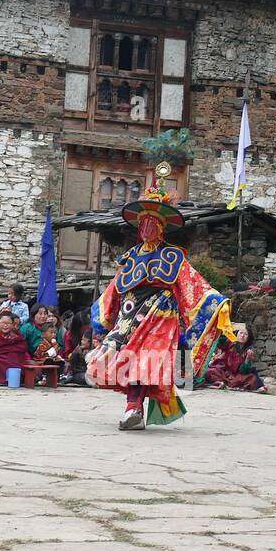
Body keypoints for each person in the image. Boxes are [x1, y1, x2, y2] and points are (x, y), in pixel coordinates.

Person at [89, 164, 235, 430]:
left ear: (162, 227)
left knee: (147, 360)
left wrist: (216, 303)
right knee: (130, 359)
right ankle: (134, 409)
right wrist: (101, 312)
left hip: (160, 313)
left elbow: (192, 283)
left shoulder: (173, 256)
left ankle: (133, 408)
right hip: (130, 315)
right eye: (143, 222)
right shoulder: (131, 256)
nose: (147, 228)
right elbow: (115, 288)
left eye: (152, 223)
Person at [205, 323, 267, 393]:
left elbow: (243, 371)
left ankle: (223, 384)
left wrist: (247, 359)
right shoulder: (229, 342)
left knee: (252, 379)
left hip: (234, 375)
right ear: (237, 334)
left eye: (245, 334)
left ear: (248, 338)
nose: (242, 336)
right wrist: (227, 329)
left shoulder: (247, 351)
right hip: (222, 370)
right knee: (210, 371)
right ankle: (219, 383)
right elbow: (221, 341)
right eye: (241, 333)